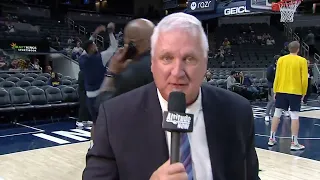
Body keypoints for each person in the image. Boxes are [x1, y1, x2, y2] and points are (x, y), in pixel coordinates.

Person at [83, 13, 259, 180]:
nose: (177, 72)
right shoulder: (115, 117)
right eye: (167, 58)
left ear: (205, 64)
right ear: (153, 64)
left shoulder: (237, 111)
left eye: (189, 59)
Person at [96, 18, 155, 105]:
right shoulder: (167, 64)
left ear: (131, 44)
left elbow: (102, 108)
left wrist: (111, 73)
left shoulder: (132, 71)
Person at [268, 41, 308, 151]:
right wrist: (304, 92)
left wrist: (275, 90)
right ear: (298, 49)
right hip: (295, 91)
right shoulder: (302, 61)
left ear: (288, 49)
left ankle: (271, 138)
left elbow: (277, 76)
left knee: (277, 114)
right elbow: (304, 79)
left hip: (281, 90)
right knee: (294, 116)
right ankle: (294, 142)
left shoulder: (281, 60)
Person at [79, 22, 118, 126]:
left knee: (95, 124)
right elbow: (114, 47)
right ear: (91, 48)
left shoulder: (82, 59)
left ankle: (96, 142)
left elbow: (86, 46)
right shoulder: (101, 57)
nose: (96, 46)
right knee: (106, 124)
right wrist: (110, 33)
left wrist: (95, 33)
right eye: (95, 45)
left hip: (89, 96)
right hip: (100, 96)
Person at [265, 55, 280, 121]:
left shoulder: (280, 67)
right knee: (271, 101)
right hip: (272, 86)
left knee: (276, 101)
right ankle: (266, 115)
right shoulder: (271, 67)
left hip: (279, 86)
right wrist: (275, 81)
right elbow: (268, 76)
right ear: (276, 60)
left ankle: (272, 114)